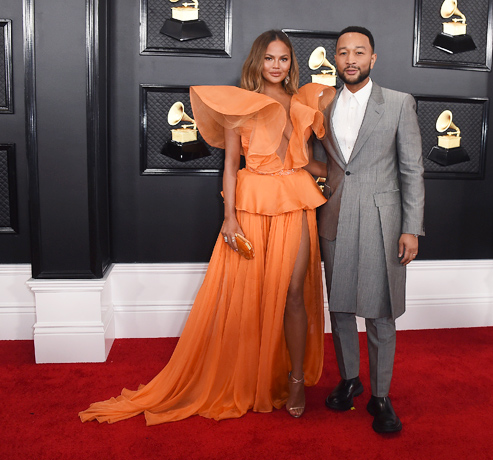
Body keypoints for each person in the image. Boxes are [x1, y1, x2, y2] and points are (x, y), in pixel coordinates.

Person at [79, 30, 336, 425]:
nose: (276, 65)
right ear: (257, 61)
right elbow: (231, 165)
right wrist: (229, 217)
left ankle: (296, 378)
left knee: (293, 293)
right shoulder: (239, 105)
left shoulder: (304, 101)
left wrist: (339, 175)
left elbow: (309, 159)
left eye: (283, 58)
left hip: (296, 202)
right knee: (252, 294)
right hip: (252, 204)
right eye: (269, 58)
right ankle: (250, 375)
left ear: (291, 64)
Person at [315, 26, 425, 433]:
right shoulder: (322, 105)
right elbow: (324, 163)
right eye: (343, 52)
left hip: (383, 221)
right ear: (335, 59)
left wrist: (411, 227)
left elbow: (412, 169)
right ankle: (350, 380)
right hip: (335, 216)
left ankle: (380, 396)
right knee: (340, 307)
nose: (351, 59)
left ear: (372, 59)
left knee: (380, 312)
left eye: (359, 52)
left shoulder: (398, 103)